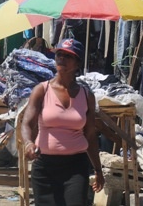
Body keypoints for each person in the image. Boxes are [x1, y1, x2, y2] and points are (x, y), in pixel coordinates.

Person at [21, 38, 104, 206]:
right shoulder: (41, 90)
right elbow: (27, 123)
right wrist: (29, 143)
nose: (62, 59)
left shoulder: (86, 95)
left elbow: (90, 135)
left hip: (76, 167)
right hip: (45, 168)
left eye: (68, 56)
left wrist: (98, 170)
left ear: (77, 63)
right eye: (59, 54)